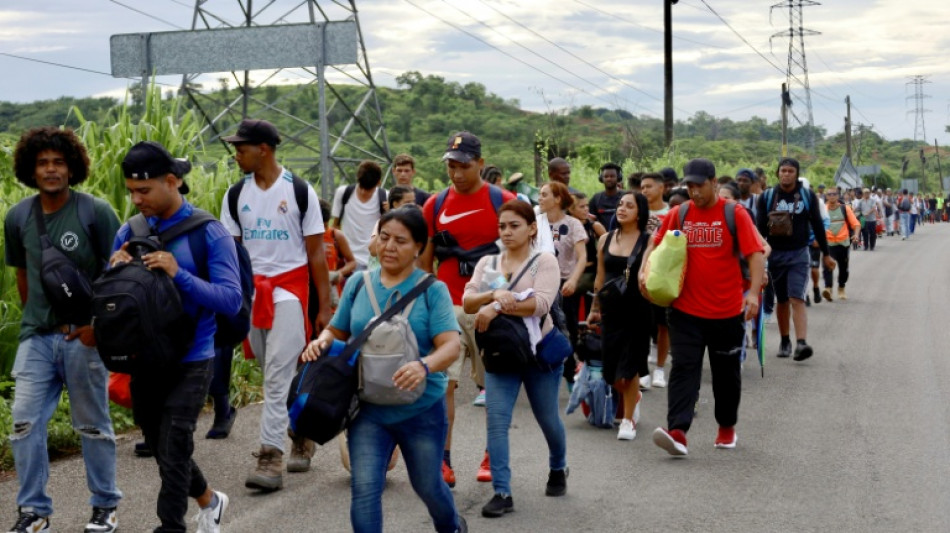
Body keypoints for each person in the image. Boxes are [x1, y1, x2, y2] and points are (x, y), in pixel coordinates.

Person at [302, 207, 466, 533]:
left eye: (400, 241)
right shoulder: (358, 284)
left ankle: (452, 527)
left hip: (421, 410)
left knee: (428, 487)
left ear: (419, 246)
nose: (389, 246)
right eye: (384, 237)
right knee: (364, 491)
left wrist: (423, 365)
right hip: (369, 410)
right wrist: (320, 342)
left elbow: (450, 345)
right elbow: (337, 329)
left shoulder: (433, 290)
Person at [113, 140, 241, 532]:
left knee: (173, 445)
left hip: (193, 356)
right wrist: (112, 270)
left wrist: (178, 273)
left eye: (144, 190)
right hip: (146, 360)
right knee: (165, 448)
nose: (136, 200)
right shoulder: (128, 232)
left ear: (172, 181)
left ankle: (171, 526)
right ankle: (209, 500)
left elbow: (231, 299)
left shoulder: (208, 233)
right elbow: (113, 301)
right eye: (131, 191)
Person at [4, 127, 123, 533]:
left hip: (84, 336)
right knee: (23, 423)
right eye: (43, 163)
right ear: (30, 169)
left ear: (72, 167)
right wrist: (35, 321)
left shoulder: (95, 211)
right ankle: (34, 511)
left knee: (92, 424)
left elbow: (119, 275)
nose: (51, 170)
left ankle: (105, 506)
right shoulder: (17, 216)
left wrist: (95, 326)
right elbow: (24, 276)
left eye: (58, 162)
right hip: (37, 337)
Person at [219, 118, 333, 490]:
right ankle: (302, 431)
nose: (236, 154)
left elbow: (316, 253)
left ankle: (270, 457)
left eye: (241, 148)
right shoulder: (236, 195)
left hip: (290, 293)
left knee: (276, 375)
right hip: (254, 295)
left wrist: (324, 307)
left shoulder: (300, 191)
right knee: (279, 373)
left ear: (263, 149)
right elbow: (231, 254)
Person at [641, 158, 765, 456]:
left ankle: (726, 427)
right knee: (684, 369)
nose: (695, 192)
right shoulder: (680, 213)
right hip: (685, 311)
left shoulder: (734, 213)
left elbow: (756, 255)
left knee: (725, 376)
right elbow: (655, 244)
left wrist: (753, 294)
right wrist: (645, 272)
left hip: (726, 311)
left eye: (700, 185)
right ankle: (678, 432)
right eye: (690, 186)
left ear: (714, 183)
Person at [420, 131, 516, 486]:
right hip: (446, 307)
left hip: (492, 307)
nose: (456, 173)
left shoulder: (501, 200)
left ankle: (493, 454)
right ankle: (442, 461)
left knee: (494, 384)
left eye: (463, 165)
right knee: (441, 385)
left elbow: (521, 257)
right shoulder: (435, 204)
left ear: (480, 162)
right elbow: (425, 262)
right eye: (451, 165)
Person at [462, 200, 567, 517]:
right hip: (500, 353)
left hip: (538, 354)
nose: (507, 232)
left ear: (532, 228)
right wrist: (492, 295)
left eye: (514, 226)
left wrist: (494, 308)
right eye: (502, 226)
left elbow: (541, 305)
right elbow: (468, 302)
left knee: (547, 419)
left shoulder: (543, 262)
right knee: (496, 421)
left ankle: (558, 466)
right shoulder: (489, 262)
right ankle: (502, 492)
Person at [755, 158, 834, 361]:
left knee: (796, 297)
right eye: (783, 170)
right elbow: (759, 230)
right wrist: (757, 256)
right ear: (777, 173)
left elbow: (817, 225)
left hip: (799, 254)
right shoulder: (767, 197)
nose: (786, 174)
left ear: (796, 174)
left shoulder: (806, 196)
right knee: (781, 300)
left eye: (790, 171)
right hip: (775, 256)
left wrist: (826, 254)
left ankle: (801, 343)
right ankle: (784, 340)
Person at [587, 192, 651, 440]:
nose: (622, 208)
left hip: (638, 309)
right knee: (611, 370)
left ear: (639, 212)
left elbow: (648, 272)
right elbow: (599, 278)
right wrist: (594, 308)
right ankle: (633, 396)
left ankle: (627, 421)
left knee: (629, 366)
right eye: (620, 204)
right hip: (610, 310)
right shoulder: (605, 239)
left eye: (629, 205)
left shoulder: (649, 240)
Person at [538, 181, 587, 388]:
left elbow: (582, 256)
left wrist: (574, 280)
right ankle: (542, 374)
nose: (539, 199)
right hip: (540, 283)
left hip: (565, 283)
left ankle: (569, 373)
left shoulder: (573, 224)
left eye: (544, 195)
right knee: (539, 329)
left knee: (569, 329)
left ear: (557, 199)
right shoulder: (535, 222)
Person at [638, 172, 671, 389]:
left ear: (662, 188)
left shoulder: (672, 212)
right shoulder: (637, 211)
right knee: (641, 324)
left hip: (663, 274)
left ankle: (659, 369)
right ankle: (642, 372)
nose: (645, 190)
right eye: (642, 187)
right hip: (641, 273)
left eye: (649, 186)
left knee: (663, 325)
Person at [331, 160, 388, 269]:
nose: (363, 192)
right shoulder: (343, 193)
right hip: (348, 260)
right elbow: (335, 226)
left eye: (368, 189)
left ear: (378, 184)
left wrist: (390, 212)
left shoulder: (385, 197)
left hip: (375, 261)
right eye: (361, 187)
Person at [568, 192, 606, 325]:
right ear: (571, 209)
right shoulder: (565, 227)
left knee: (592, 311)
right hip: (572, 275)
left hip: (591, 274)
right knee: (572, 313)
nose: (586, 209)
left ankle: (592, 341)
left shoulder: (593, 226)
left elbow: (609, 245)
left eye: (587, 206)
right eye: (581, 207)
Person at [821, 186, 860, 302]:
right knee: (827, 266)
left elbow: (856, 224)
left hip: (843, 243)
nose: (832, 196)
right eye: (829, 194)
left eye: (834, 194)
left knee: (844, 269)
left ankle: (841, 287)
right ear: (826, 196)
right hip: (828, 242)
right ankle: (828, 288)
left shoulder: (845, 209)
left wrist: (856, 235)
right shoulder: (823, 209)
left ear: (838, 196)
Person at [589, 162, 624, 228]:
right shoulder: (596, 199)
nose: (609, 179)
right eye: (606, 176)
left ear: (618, 177)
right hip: (602, 236)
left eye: (612, 176)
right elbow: (591, 220)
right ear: (601, 178)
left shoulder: (626, 196)